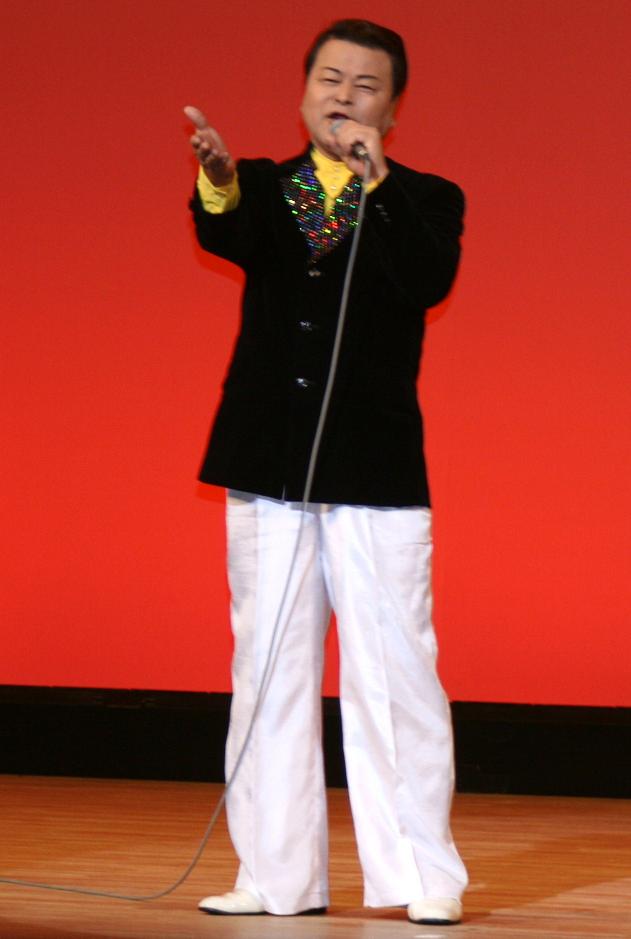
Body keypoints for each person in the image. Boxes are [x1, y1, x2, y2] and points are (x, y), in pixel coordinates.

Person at [184, 18, 468, 927]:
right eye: (330, 79)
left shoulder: (424, 197)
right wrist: (218, 178)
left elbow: (424, 278)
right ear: (303, 90)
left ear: (393, 107)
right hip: (266, 464)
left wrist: (374, 184)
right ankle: (276, 877)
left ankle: (419, 874)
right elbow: (225, 228)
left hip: (373, 471)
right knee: (268, 672)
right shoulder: (266, 187)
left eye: (366, 85)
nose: (344, 96)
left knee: (394, 674)